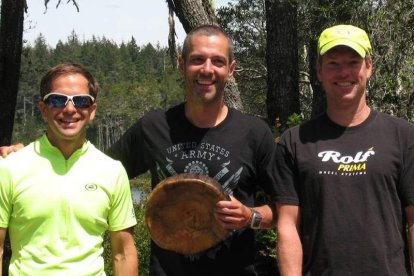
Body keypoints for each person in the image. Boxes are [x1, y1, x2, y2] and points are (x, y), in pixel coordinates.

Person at [106, 24, 278, 275]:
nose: (207, 70)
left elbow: (286, 209)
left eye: (217, 61)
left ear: (230, 69)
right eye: (197, 60)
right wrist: (32, 155)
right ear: (181, 64)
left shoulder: (254, 132)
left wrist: (249, 216)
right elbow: (98, 173)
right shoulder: (154, 127)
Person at [275, 24, 414, 275]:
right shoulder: (295, 141)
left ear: (368, 67)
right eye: (333, 63)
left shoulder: (403, 136)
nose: (344, 72)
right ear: (319, 70)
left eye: (353, 62)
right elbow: (287, 226)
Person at [0, 63, 138, 275]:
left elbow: (123, 253)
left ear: (92, 111)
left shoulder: (112, 171)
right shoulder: (10, 168)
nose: (70, 109)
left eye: (81, 101)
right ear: (43, 109)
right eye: (58, 99)